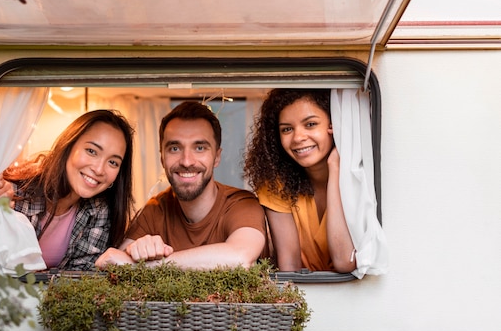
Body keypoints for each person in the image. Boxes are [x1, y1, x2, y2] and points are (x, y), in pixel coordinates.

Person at [95, 101, 267, 270]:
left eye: (199, 148)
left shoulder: (240, 204)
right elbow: (115, 262)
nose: (186, 161)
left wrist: (152, 266)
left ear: (216, 157)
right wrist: (138, 250)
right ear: (162, 157)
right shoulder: (156, 210)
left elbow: (240, 258)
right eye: (175, 149)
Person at [0, 109, 135, 271]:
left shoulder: (99, 211)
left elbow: (82, 275)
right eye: (91, 151)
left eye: (113, 162)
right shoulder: (17, 192)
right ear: (69, 145)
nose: (99, 169)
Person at [244, 89, 356, 273]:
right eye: (287, 129)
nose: (298, 138)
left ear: (334, 125)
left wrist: (335, 165)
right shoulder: (275, 184)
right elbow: (290, 266)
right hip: (305, 294)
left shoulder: (358, 178)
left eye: (310, 124)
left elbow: (344, 261)